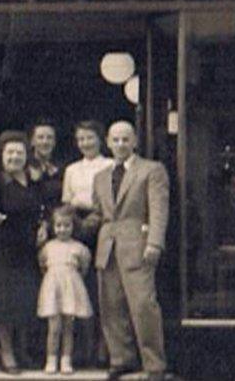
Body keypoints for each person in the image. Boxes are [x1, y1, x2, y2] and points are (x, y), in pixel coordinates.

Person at [83, 120, 168, 381]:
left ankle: (154, 365)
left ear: (135, 142)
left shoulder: (151, 170)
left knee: (143, 305)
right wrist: (72, 225)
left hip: (138, 245)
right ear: (107, 142)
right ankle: (121, 359)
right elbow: (98, 215)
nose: (120, 144)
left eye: (125, 139)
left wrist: (154, 242)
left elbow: (158, 209)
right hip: (107, 246)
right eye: (115, 139)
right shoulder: (100, 177)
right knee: (111, 307)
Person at [0, 130, 45, 374]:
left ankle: (23, 350)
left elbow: (42, 208)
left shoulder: (33, 179)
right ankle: (7, 354)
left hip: (27, 249)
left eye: (19, 152)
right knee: (4, 303)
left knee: (26, 300)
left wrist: (44, 225)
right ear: (2, 155)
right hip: (3, 249)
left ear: (27, 155)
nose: (14, 157)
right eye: (10, 152)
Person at [61, 119, 113, 366]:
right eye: (80, 139)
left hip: (102, 225)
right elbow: (66, 201)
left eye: (89, 138)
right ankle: (83, 347)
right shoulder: (72, 169)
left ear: (100, 139)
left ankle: (104, 348)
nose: (85, 143)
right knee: (78, 288)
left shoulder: (110, 165)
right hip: (76, 227)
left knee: (100, 288)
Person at [37, 205, 93, 375]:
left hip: (71, 288)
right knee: (54, 327)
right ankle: (51, 358)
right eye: (58, 225)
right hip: (53, 289)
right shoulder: (47, 248)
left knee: (69, 326)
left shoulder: (79, 248)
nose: (62, 229)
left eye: (67, 225)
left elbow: (84, 268)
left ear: (73, 227)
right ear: (53, 227)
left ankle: (66, 359)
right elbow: (42, 266)